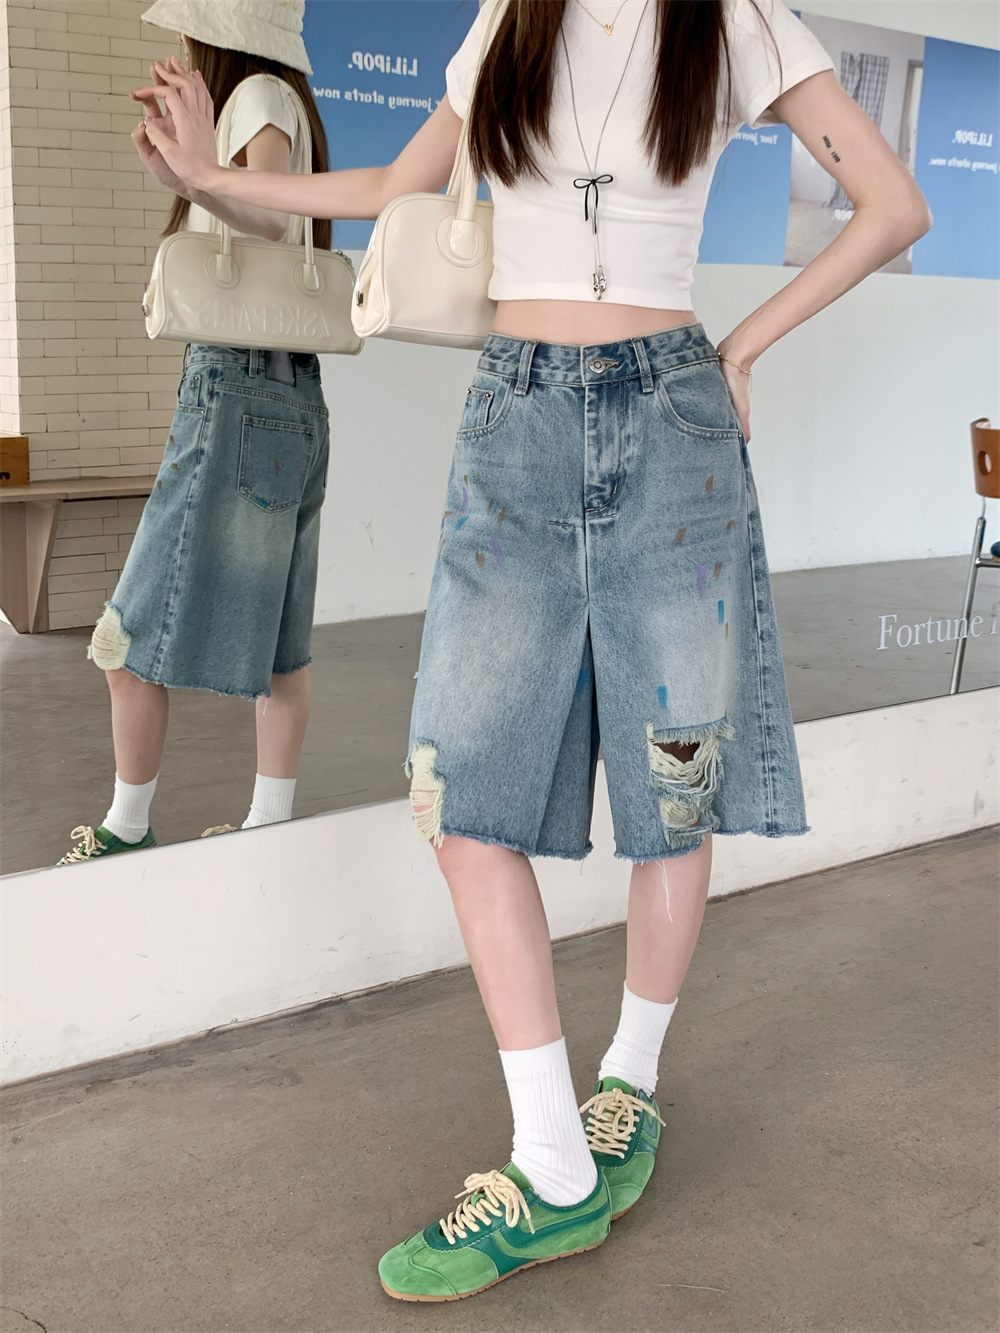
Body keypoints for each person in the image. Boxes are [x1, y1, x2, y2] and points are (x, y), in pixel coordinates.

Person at [139, 0, 930, 1301]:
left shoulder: (736, 20)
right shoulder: (513, 15)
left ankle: (626, 1086)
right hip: (514, 420)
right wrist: (207, 178)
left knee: (675, 788)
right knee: (458, 795)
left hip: (673, 421)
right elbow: (397, 186)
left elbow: (894, 207)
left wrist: (742, 345)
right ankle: (553, 1162)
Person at [59, 0, 333, 865]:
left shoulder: (254, 97)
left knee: (124, 638)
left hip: (235, 387)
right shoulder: (282, 99)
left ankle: (126, 829)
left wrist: (202, 169)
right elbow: (270, 221)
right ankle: (270, 829)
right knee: (283, 646)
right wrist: (188, 179)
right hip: (291, 392)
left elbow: (271, 218)